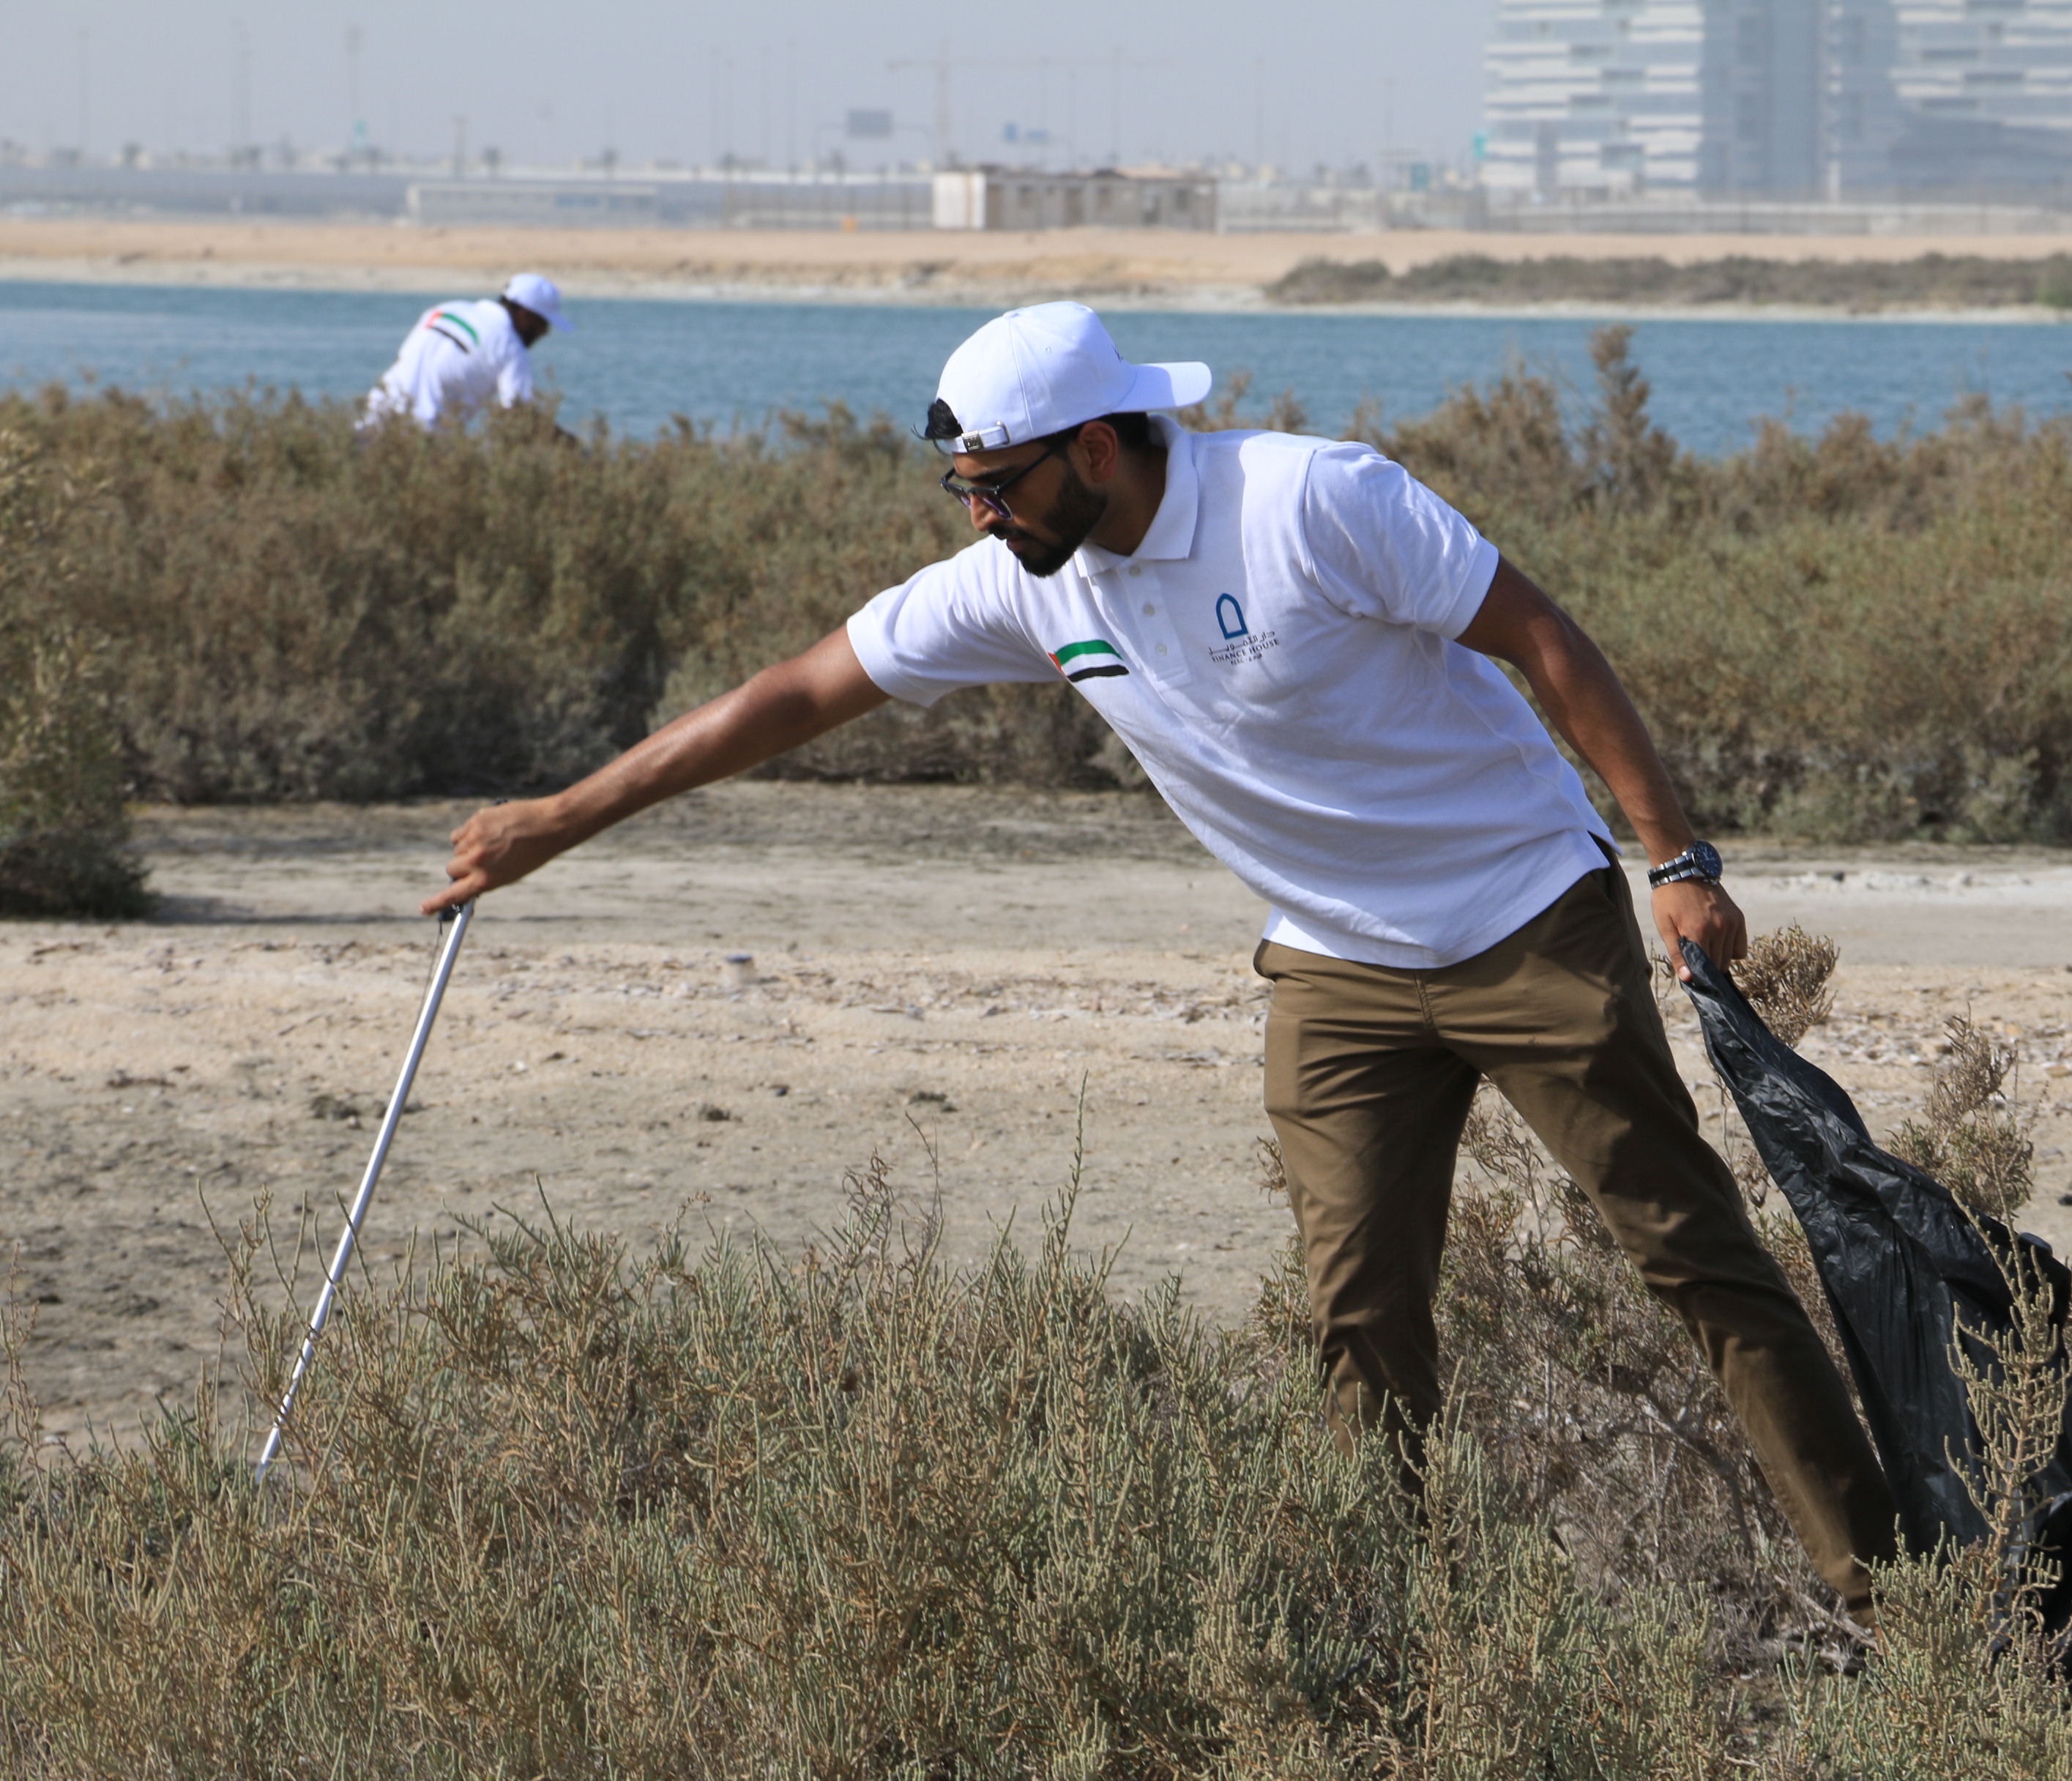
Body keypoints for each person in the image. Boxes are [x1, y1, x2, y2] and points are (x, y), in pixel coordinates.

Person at [421, 300, 1900, 1619]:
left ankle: (1903, 1609)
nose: (981, 515)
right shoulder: (1022, 580)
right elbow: (799, 690)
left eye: (1000, 484)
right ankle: (1399, 1636)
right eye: (965, 488)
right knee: (1356, 1311)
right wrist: (562, 819)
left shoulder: (1315, 500)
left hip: (1524, 917)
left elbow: (1546, 641)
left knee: (1691, 1255)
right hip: (1332, 969)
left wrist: (1677, 859)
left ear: (1103, 447)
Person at [362, 272, 572, 431]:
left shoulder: (445, 310)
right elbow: (519, 418)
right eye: (544, 323)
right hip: (423, 441)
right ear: (526, 315)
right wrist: (581, 452)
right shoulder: (510, 347)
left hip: (372, 422)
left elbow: (401, 360)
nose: (545, 332)